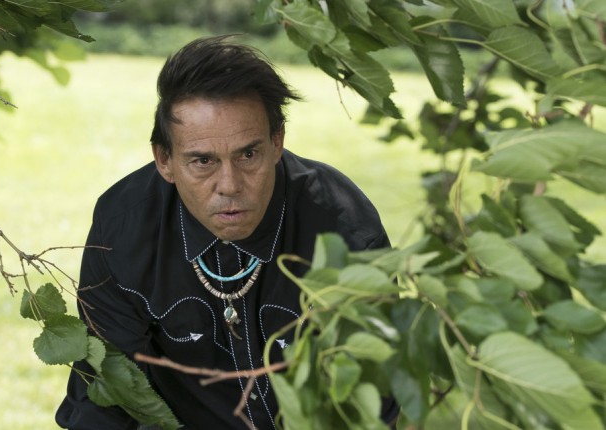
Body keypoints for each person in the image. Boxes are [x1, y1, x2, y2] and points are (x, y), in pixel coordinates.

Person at [56, 35, 398, 429]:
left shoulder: (342, 223)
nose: (230, 185)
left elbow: (372, 400)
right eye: (203, 161)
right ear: (165, 160)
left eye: (248, 154)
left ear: (277, 142)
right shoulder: (124, 228)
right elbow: (103, 397)